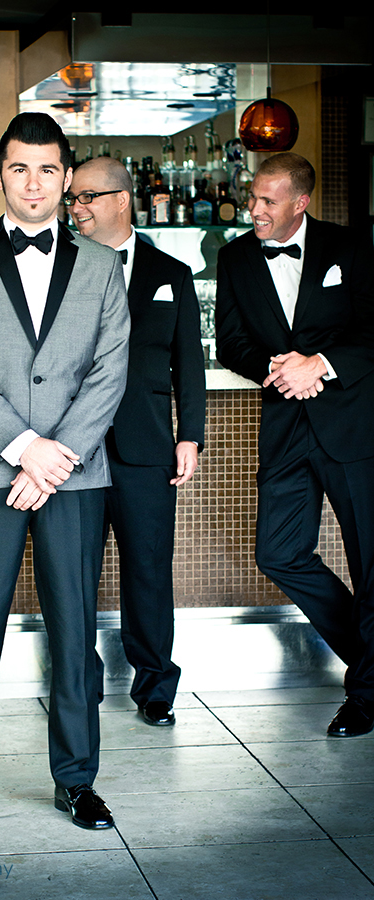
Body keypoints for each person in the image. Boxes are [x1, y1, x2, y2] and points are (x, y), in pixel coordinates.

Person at [0, 113, 129, 840]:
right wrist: (23, 448)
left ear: (66, 177)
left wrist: (55, 456)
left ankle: (77, 781)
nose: (34, 183)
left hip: (73, 476)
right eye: (20, 168)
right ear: (0, 174)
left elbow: (110, 371)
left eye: (48, 169)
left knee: (75, 631)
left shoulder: (104, 266)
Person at [216, 152, 374, 737]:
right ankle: (371, 659)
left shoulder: (349, 247)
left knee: (369, 563)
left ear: (300, 203)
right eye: (253, 197)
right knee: (279, 552)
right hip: (285, 426)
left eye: (268, 201)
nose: (254, 209)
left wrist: (320, 364)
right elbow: (230, 341)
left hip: (351, 426)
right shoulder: (234, 256)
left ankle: (365, 695)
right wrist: (277, 369)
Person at [67, 157, 206, 726]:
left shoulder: (173, 273)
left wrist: (190, 436)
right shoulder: (60, 266)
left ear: (121, 200)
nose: (76, 208)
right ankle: (79, 685)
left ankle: (155, 686)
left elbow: (189, 362)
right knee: (73, 573)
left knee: (148, 570)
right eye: (73, 198)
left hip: (146, 447)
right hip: (72, 448)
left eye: (87, 197)